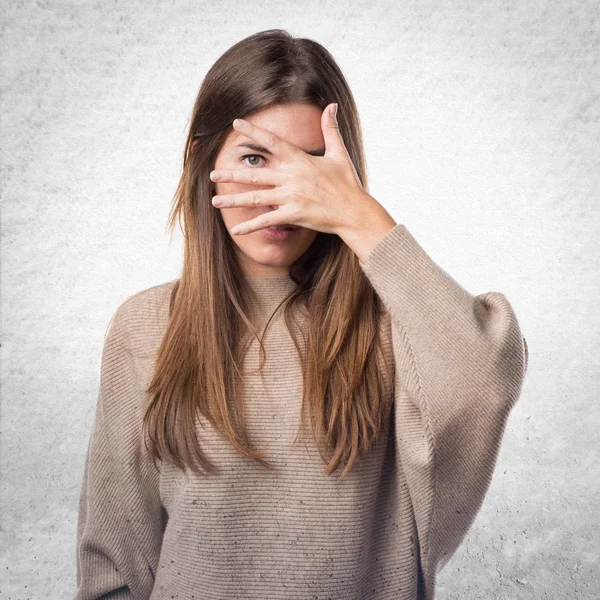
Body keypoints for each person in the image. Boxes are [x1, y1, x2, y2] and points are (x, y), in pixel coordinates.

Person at [74, 28, 529, 600]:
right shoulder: (144, 327)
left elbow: (487, 376)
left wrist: (360, 217)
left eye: (311, 166)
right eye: (255, 158)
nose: (282, 191)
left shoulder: (394, 324)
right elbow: (114, 564)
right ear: (202, 161)